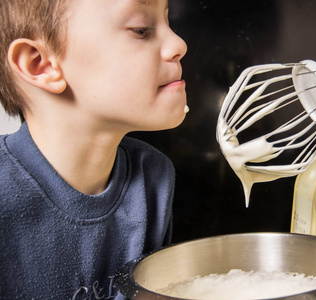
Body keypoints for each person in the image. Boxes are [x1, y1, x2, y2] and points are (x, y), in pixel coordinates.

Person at [0, 0, 188, 298]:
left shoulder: (153, 177)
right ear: (40, 63)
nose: (179, 44)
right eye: (141, 29)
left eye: (168, 20)